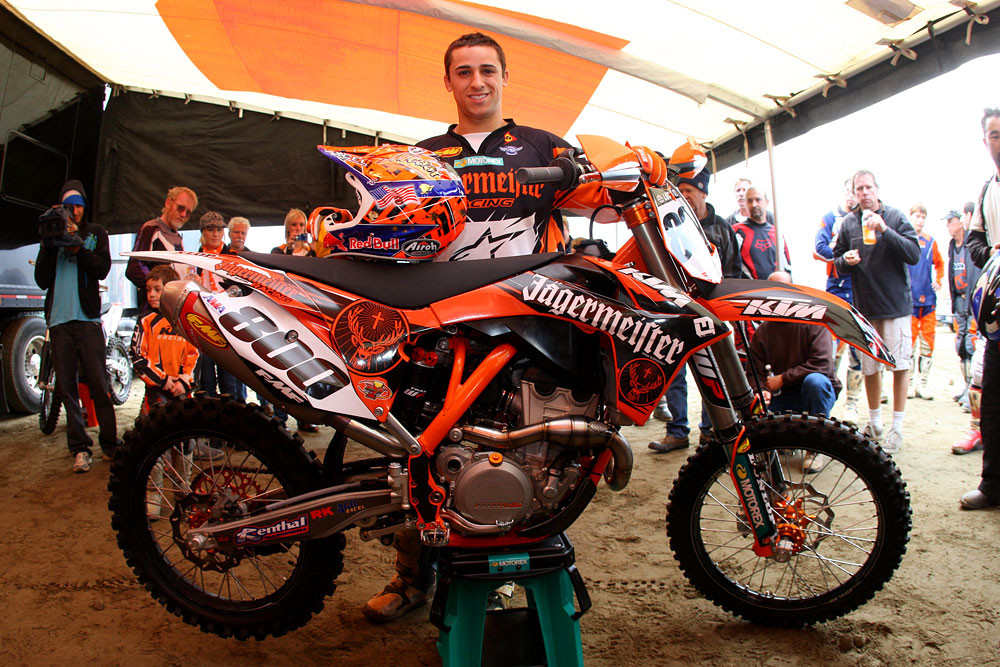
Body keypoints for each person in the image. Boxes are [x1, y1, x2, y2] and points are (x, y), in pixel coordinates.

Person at [364, 31, 668, 624]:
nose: (476, 82)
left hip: (528, 321)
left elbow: (605, 199)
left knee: (518, 445)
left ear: (505, 78)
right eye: (463, 72)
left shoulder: (543, 145)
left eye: (487, 70)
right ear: (447, 82)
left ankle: (496, 569)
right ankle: (410, 575)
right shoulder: (423, 155)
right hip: (440, 320)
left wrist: (638, 169)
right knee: (414, 446)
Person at [648, 166, 741, 453]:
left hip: (711, 312)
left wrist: (727, 312)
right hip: (676, 311)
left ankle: (710, 433)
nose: (684, 195)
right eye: (681, 190)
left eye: (689, 190)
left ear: (703, 193)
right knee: (674, 372)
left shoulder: (722, 227)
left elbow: (733, 272)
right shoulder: (669, 223)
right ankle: (677, 432)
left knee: (713, 373)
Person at [34, 180, 121, 473]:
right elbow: (41, 280)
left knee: (99, 383)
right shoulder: (51, 234)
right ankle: (80, 449)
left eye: (78, 205)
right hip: (59, 322)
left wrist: (78, 246)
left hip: (87, 321)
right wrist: (49, 245)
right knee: (67, 389)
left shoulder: (95, 233)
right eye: (68, 207)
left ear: (85, 206)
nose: (74, 211)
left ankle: (110, 444)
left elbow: (102, 268)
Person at [833, 170, 920, 454]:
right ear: (854, 193)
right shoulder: (849, 223)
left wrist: (885, 230)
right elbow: (837, 261)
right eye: (859, 189)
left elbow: (913, 254)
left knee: (900, 366)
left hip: (895, 306)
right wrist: (845, 260)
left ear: (877, 189)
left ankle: (897, 427)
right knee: (870, 367)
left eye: (868, 187)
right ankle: (875, 423)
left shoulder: (894, 217)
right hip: (866, 307)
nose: (864, 193)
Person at [750, 271, 841, 471]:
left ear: (793, 291)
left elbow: (822, 364)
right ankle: (788, 441)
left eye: (783, 290)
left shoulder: (813, 321)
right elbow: (753, 372)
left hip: (816, 391)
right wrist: (760, 390)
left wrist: (784, 378)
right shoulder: (764, 330)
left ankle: (816, 446)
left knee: (815, 382)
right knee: (756, 410)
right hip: (786, 396)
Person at [958, 107, 1000, 509]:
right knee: (993, 402)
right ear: (985, 140)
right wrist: (994, 255)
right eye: (995, 134)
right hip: (998, 316)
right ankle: (992, 485)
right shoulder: (988, 189)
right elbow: (974, 242)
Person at [814, 178, 863, 422]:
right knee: (831, 348)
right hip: (836, 288)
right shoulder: (830, 217)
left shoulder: (867, 219)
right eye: (849, 191)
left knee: (859, 347)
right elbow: (818, 247)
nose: (853, 196)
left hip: (862, 290)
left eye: (856, 191)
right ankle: (829, 399)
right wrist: (842, 255)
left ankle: (852, 403)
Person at [130, 264, 199, 413]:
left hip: (182, 389)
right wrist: (162, 380)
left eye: (157, 289)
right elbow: (137, 356)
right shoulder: (145, 321)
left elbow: (195, 354)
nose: (151, 295)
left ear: (171, 291)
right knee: (152, 425)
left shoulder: (187, 321)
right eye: (148, 290)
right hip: (155, 392)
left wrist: (185, 381)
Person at [194, 211, 245, 402]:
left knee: (229, 375)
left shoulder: (232, 256)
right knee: (205, 377)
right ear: (203, 232)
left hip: (227, 318)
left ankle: (232, 412)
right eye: (210, 229)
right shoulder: (195, 257)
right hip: (202, 317)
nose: (215, 234)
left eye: (218, 229)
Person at [126, 186, 198, 310]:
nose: (183, 214)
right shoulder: (151, 229)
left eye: (188, 213)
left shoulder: (177, 237)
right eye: (180, 208)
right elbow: (134, 267)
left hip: (172, 306)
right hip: (155, 308)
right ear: (168, 203)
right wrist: (158, 289)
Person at [906, 204, 944, 400]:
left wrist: (939, 280)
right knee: (910, 344)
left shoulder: (930, 242)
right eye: (917, 216)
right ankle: (909, 383)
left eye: (923, 217)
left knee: (928, 342)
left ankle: (923, 384)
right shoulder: (905, 240)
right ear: (910, 217)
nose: (920, 221)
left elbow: (940, 264)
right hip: (909, 300)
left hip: (928, 299)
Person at [946, 209, 981, 409]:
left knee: (971, 342)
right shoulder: (952, 246)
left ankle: (973, 390)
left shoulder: (970, 243)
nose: (948, 226)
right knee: (961, 343)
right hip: (958, 300)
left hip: (971, 300)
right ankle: (967, 386)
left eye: (951, 221)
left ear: (961, 222)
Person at [732, 185, 792, 280]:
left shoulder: (776, 233)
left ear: (766, 202)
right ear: (745, 203)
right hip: (750, 288)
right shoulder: (736, 232)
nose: (754, 205)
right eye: (750, 201)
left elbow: (787, 267)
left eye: (758, 200)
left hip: (775, 287)